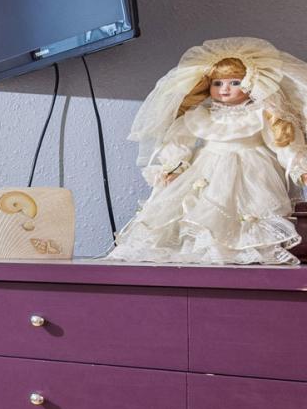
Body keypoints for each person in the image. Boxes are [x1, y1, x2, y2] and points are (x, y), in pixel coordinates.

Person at [110, 37, 307, 265]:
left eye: (234, 83)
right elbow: (179, 141)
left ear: (252, 83)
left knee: (248, 211)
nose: (224, 89)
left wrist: (299, 168)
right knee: (200, 210)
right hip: (206, 169)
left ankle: (246, 250)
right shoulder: (200, 115)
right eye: (217, 83)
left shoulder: (261, 113)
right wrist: (174, 166)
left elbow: (282, 144)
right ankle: (206, 250)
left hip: (253, 171)